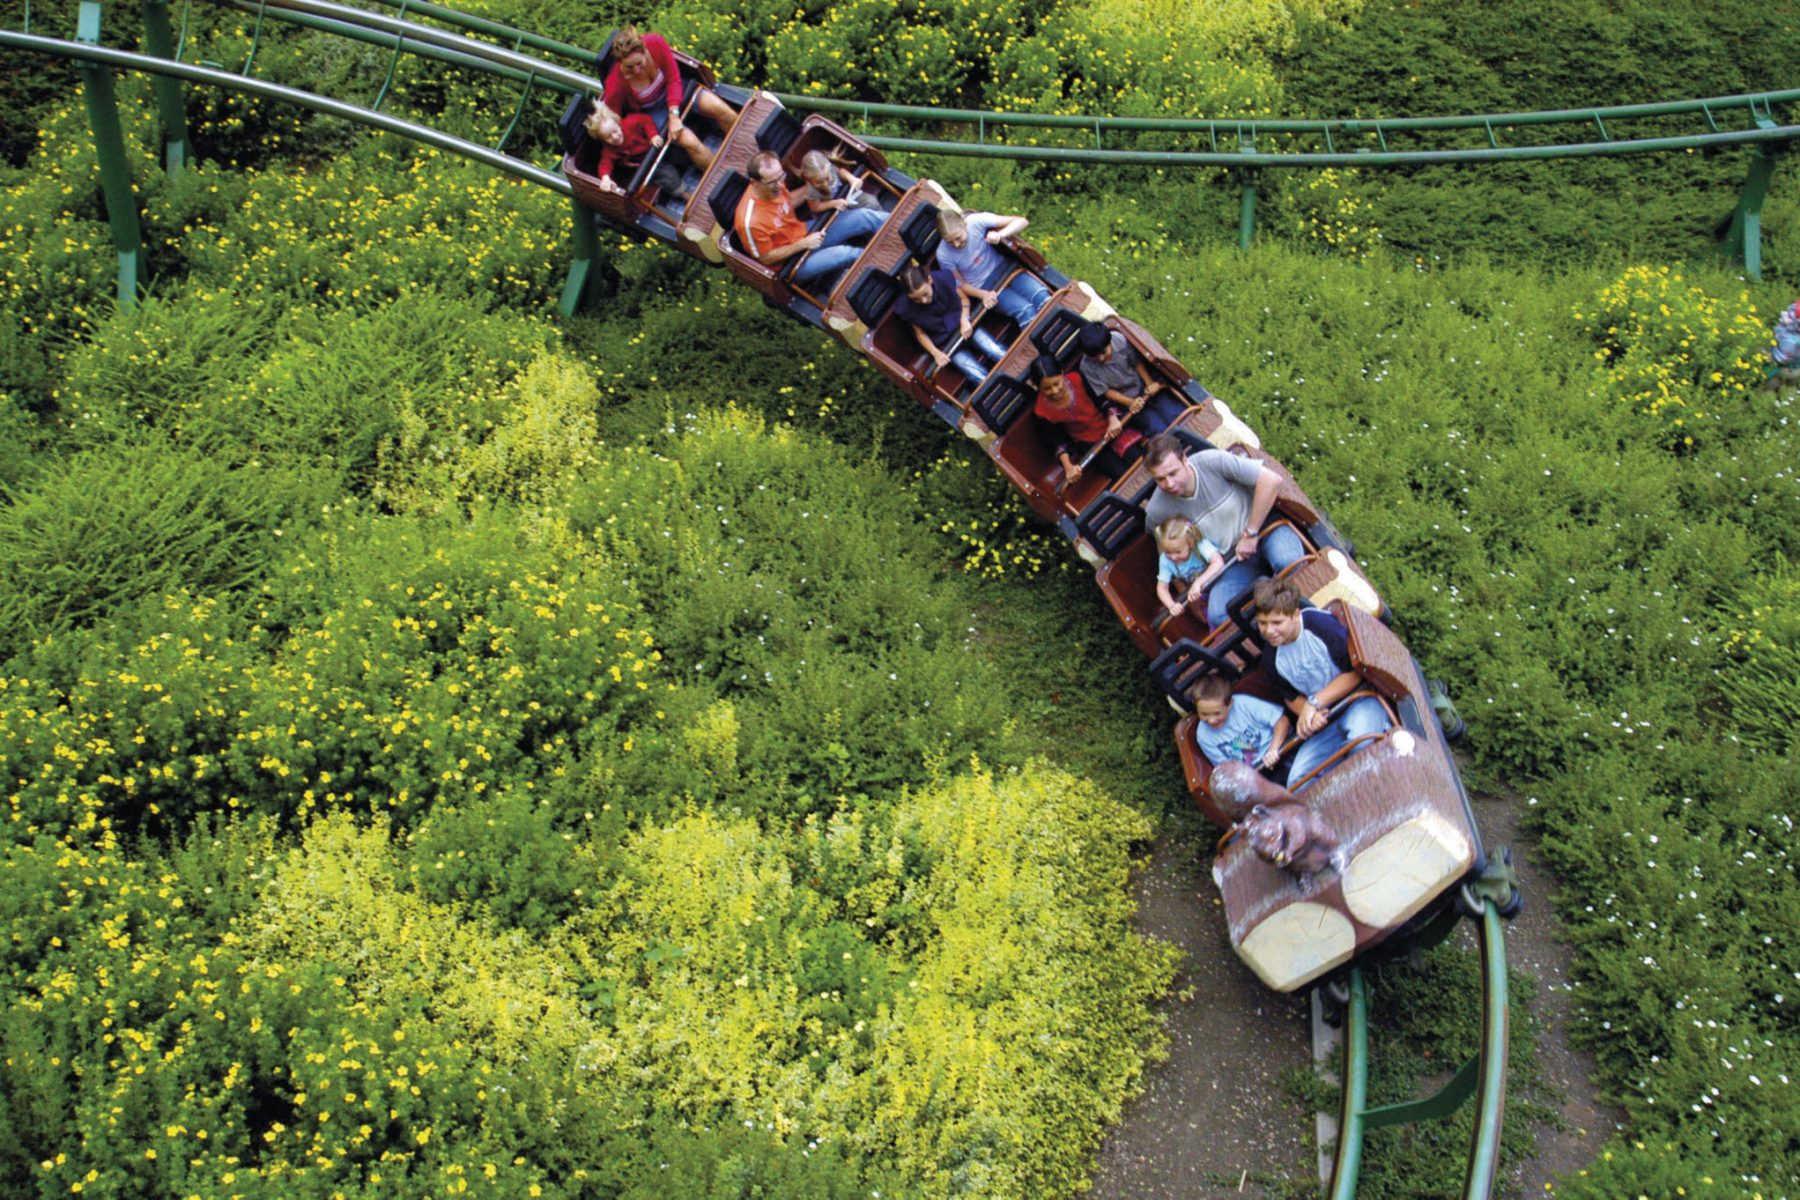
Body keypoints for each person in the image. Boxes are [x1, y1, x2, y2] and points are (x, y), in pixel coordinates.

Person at [1141, 432, 1307, 627]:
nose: (1169, 484)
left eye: (1173, 473)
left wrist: (1251, 533)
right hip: (1231, 560)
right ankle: (1269, 630)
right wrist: (1182, 587)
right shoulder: (1157, 511)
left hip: (1264, 531)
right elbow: (1166, 552)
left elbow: (1271, 481)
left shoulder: (1212, 462)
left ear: (1185, 459)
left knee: (1288, 562)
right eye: (1160, 479)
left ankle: (1298, 617)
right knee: (1218, 615)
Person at [1250, 577, 1390, 791]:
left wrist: (1314, 703)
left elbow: (1356, 673)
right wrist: (1308, 717)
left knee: (1360, 743)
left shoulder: (1321, 626)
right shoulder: (1271, 659)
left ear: (1295, 615)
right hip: (1327, 719)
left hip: (1359, 699)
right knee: (1298, 780)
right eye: (1263, 623)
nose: (1269, 631)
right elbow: (1291, 698)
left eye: (1277, 623)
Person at [734, 150, 885, 289]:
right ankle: (885, 265)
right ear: (754, 182)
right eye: (773, 182)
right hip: (792, 263)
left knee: (863, 216)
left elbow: (787, 202)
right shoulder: (750, 223)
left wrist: (814, 183)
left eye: (781, 177)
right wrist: (802, 244)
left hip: (805, 232)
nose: (780, 185)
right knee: (845, 253)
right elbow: (765, 259)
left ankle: (897, 228)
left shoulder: (774, 186)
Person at [602, 25, 737, 170]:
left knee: (720, 109)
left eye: (639, 63)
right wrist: (626, 151)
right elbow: (616, 120)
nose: (636, 70)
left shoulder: (655, 43)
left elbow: (673, 78)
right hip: (654, 111)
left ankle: (742, 150)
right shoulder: (615, 84)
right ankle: (722, 175)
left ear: (644, 50)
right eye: (629, 67)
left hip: (675, 89)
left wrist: (674, 114)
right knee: (690, 141)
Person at [892, 262, 1009, 385]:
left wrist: (964, 319)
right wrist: (935, 353)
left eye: (925, 294)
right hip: (947, 343)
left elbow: (964, 299)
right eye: (916, 299)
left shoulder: (944, 278)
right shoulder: (905, 308)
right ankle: (999, 388)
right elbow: (920, 333)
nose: (924, 301)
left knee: (993, 348)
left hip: (965, 326)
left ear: (930, 280)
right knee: (974, 371)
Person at [935, 207, 1053, 327]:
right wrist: (983, 295)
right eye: (950, 242)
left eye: (958, 238)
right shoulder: (943, 254)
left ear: (964, 225)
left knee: (1042, 296)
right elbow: (961, 285)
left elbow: (1021, 221)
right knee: (1026, 311)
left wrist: (1000, 234)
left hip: (1005, 270)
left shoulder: (975, 222)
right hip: (985, 286)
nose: (956, 244)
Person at [1033, 359, 1140, 483]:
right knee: (1119, 473)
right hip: (1089, 444)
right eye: (1047, 389)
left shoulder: (1077, 379)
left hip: (1110, 426)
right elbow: (1057, 440)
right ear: (1038, 388)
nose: (1055, 391)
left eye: (1057, 384)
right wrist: (1068, 467)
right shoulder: (1041, 411)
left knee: (1135, 457)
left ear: (1061, 374)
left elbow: (1100, 398)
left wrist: (1112, 418)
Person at [1077, 322, 1186, 431]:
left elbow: (1136, 362)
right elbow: (1106, 391)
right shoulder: (1086, 367)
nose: (1101, 358)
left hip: (1143, 386)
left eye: (1103, 352)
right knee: (1155, 426)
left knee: (1173, 412)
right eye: (1094, 357)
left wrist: (1149, 383)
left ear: (1110, 342)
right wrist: (1130, 402)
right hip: (1127, 400)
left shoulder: (1119, 340)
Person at [584, 102, 689, 202]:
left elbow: (646, 120)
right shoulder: (609, 150)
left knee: (680, 154)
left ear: (618, 123)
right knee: (668, 177)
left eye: (615, 131)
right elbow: (605, 164)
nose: (615, 137)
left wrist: (653, 135)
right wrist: (605, 178)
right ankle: (687, 196)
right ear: (603, 140)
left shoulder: (630, 122)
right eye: (608, 137)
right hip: (649, 163)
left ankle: (695, 167)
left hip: (657, 147)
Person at [1189, 673, 1290, 776]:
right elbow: (1226, 769)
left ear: (1230, 704)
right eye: (1204, 714)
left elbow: (1281, 721)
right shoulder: (1203, 736)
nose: (1211, 720)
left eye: (1217, 713)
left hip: (1279, 750)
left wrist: (1273, 750)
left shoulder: (1244, 704)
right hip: (1254, 774)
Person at [1154, 516, 1226, 624]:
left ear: (1190, 543)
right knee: (1207, 616)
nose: (1173, 557)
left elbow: (1218, 563)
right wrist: (1171, 605)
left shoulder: (1200, 545)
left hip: (1219, 581)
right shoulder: (1165, 560)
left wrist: (1198, 583)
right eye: (1168, 552)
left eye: (1178, 552)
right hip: (1200, 594)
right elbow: (1162, 587)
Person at [795, 149, 880, 215]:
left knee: (871, 202)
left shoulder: (829, 169)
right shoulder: (811, 190)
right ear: (809, 180)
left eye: (827, 178)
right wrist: (833, 204)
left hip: (848, 195)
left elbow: (840, 172)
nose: (825, 184)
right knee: (857, 216)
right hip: (833, 209)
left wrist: (851, 178)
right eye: (819, 182)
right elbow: (815, 208)